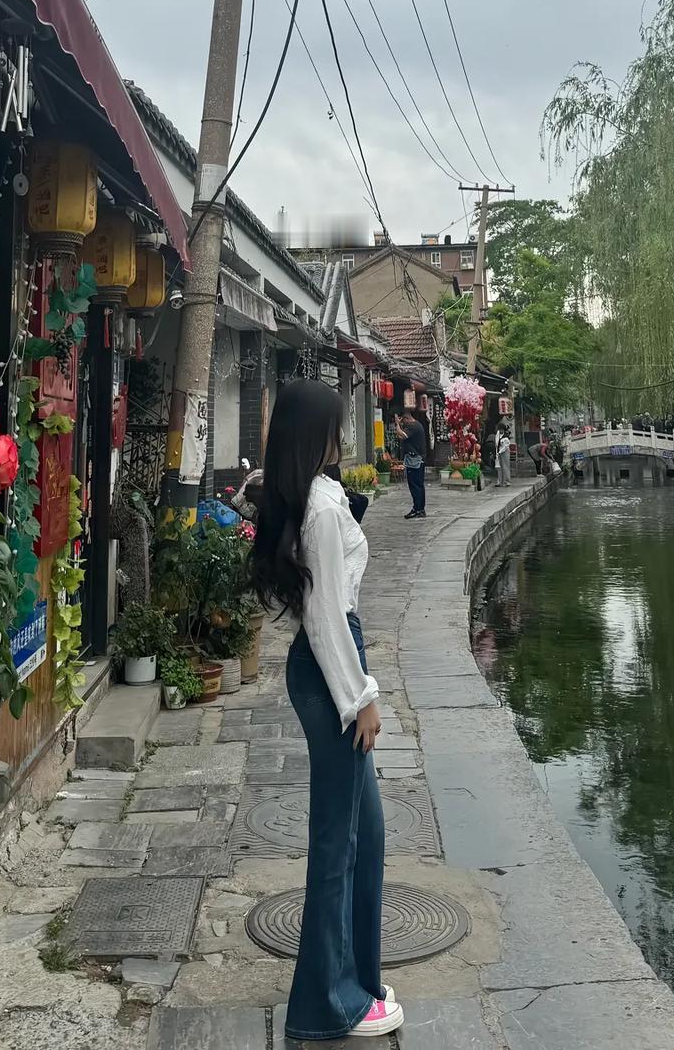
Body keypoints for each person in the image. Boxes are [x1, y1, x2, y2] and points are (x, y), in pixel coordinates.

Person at [251, 381, 403, 1041]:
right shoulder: (317, 509)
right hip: (331, 668)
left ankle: (358, 978)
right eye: (336, 427)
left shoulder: (315, 494)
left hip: (328, 663)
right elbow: (326, 618)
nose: (344, 438)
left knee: (367, 833)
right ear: (315, 435)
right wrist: (360, 698)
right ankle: (327, 1005)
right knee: (337, 842)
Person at [396, 410, 427, 519]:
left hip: (415, 459)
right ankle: (420, 509)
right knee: (419, 485)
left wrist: (397, 424)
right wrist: (399, 427)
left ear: (406, 418)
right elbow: (401, 436)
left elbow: (402, 435)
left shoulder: (413, 426)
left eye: (403, 421)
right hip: (417, 459)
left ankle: (417, 509)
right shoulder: (417, 425)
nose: (403, 423)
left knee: (415, 485)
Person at [496, 421, 513, 487]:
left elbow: (506, 446)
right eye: (499, 429)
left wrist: (500, 451)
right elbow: (496, 444)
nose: (500, 431)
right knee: (499, 467)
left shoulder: (506, 436)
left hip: (505, 451)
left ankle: (507, 481)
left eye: (501, 429)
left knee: (505, 466)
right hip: (499, 451)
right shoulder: (497, 435)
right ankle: (499, 481)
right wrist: (497, 452)